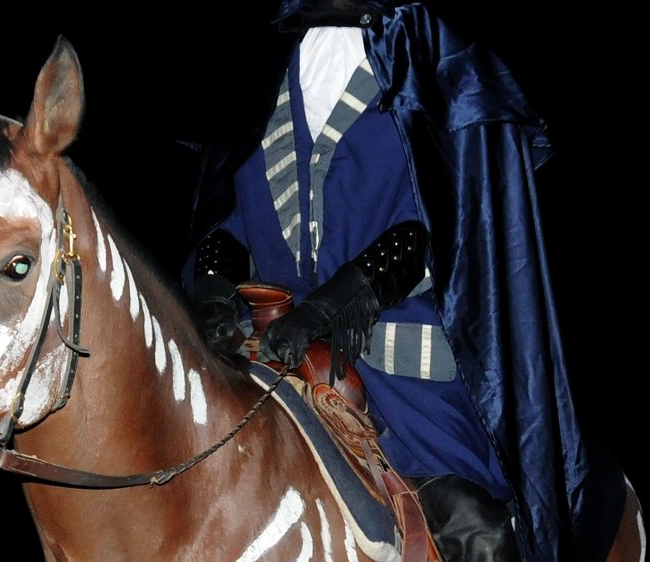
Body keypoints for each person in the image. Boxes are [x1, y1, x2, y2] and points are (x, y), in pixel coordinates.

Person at [181, 2, 626, 561]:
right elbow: (231, 217)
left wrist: (331, 306)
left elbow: (454, 220)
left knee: (476, 532)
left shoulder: (434, 64)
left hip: (401, 365)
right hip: (265, 348)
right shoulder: (261, 73)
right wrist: (212, 293)